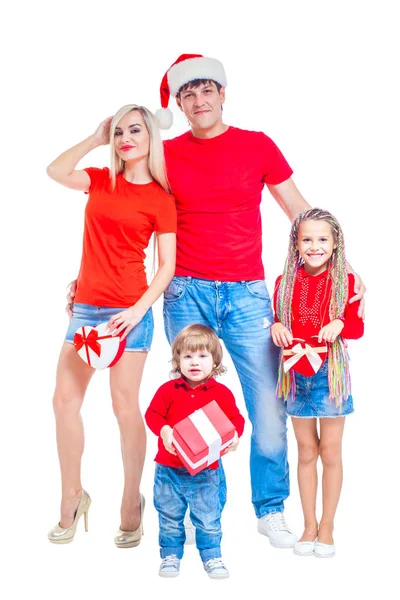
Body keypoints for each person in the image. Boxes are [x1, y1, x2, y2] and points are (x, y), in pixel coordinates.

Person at [67, 53, 366, 546]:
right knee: (190, 399)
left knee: (269, 407)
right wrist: (87, 280)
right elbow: (130, 213)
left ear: (223, 94)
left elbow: (297, 209)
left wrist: (341, 263)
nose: (199, 100)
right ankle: (191, 508)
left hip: (248, 293)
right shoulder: (167, 155)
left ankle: (270, 508)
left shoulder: (257, 145)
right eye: (188, 94)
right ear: (180, 104)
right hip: (185, 290)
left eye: (207, 90)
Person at [46, 104, 177, 546]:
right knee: (64, 401)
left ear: (150, 138)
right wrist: (94, 138)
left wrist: (139, 310)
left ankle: (129, 500)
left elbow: (167, 266)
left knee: (124, 409)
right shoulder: (102, 180)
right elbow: (55, 170)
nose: (125, 138)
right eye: (119, 131)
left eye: (134, 130)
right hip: (85, 311)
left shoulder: (161, 198)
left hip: (128, 314)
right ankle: (72, 495)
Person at [271, 208, 364, 557]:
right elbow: (279, 321)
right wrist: (275, 326)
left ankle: (327, 526)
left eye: (322, 239)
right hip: (295, 375)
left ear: (335, 243)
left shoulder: (346, 282)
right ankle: (308, 524)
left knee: (330, 451)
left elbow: (357, 327)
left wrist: (341, 323)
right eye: (307, 239)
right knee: (306, 450)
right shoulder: (284, 283)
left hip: (330, 375)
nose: (314, 246)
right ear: (296, 244)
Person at [145, 324, 245, 578]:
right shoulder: (168, 390)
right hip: (168, 469)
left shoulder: (221, 393)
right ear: (177, 359)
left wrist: (234, 436)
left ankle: (212, 556)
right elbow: (152, 414)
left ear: (215, 362)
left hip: (206, 470)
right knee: (168, 515)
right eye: (187, 356)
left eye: (202, 356)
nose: (194, 362)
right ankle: (170, 554)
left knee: (209, 517)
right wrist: (165, 430)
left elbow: (236, 420)